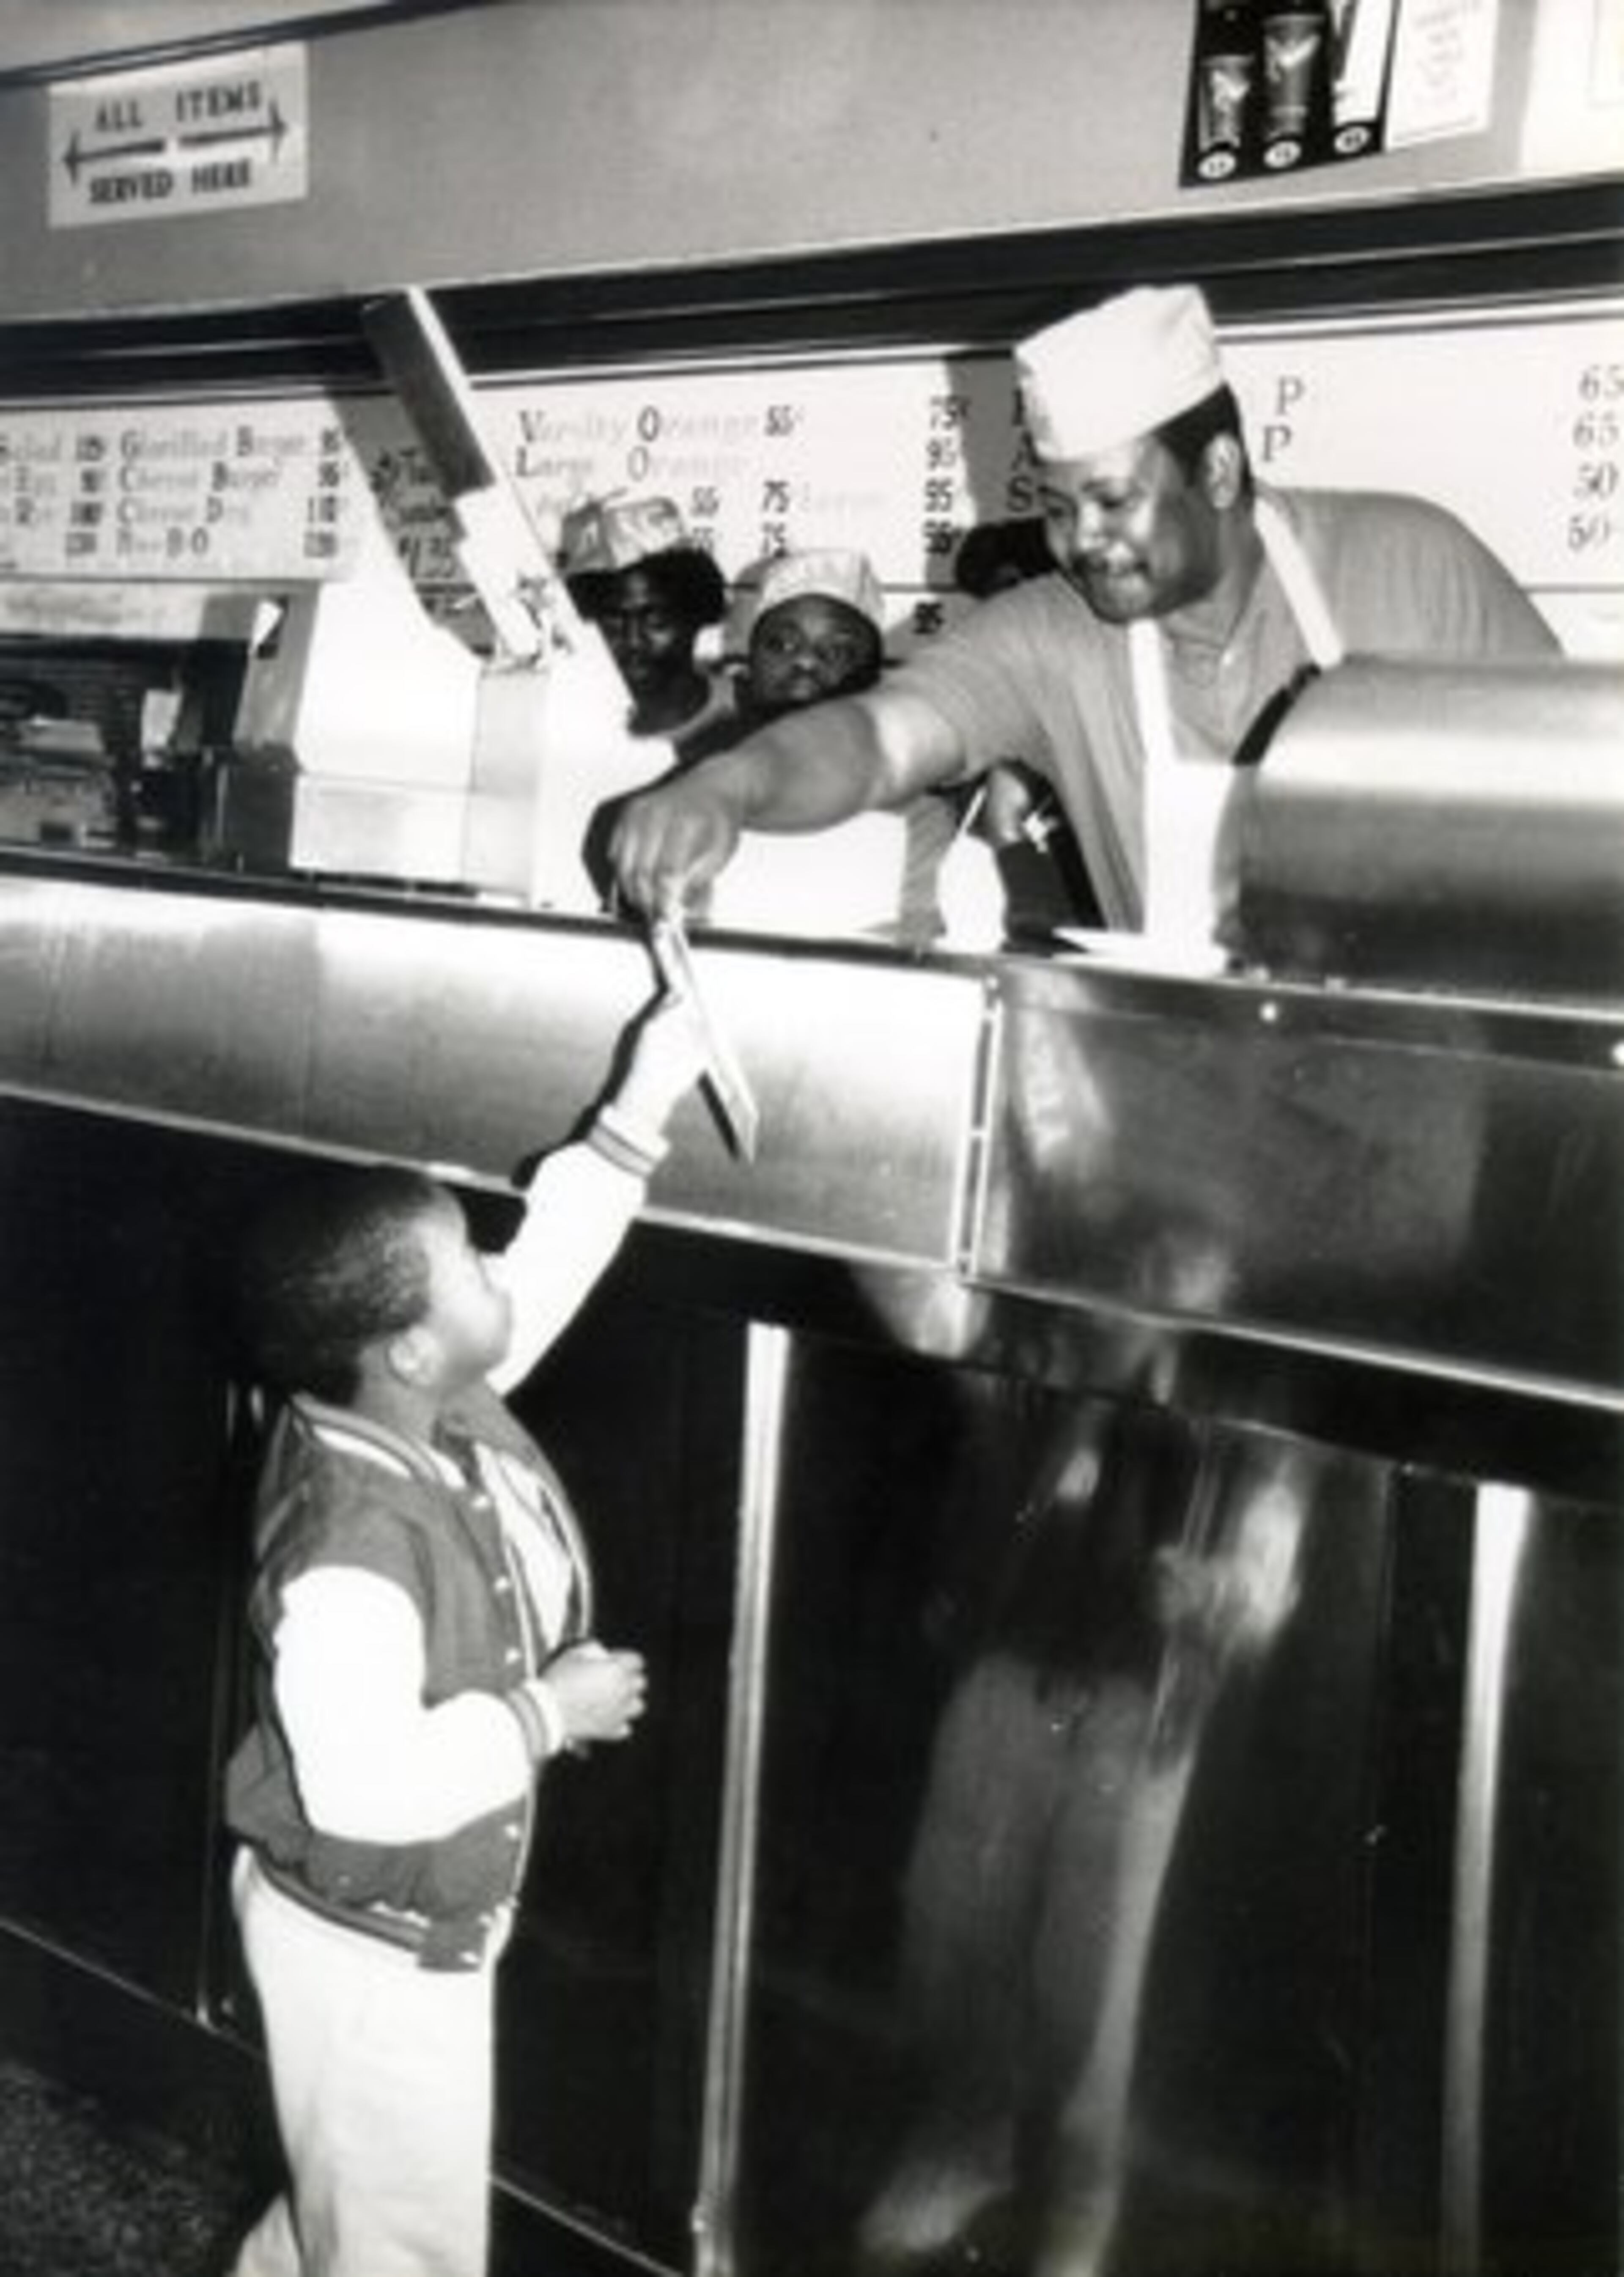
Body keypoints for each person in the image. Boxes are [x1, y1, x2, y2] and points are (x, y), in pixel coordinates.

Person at [608, 283, 1558, 945]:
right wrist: (730, 787)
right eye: (1058, 510)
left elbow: (1583, 803)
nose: (1081, 541)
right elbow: (880, 739)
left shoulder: (1415, 564)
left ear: (1218, 472)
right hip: (1197, 1083)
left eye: (1112, 501)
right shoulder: (1056, 635)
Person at [222, 982, 705, 2277]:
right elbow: (363, 1785)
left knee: (353, 2217)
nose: (498, 1269)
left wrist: (640, 1100)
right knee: (399, 2249)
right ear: (411, 1355)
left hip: (396, 1935)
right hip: (367, 1956)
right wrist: (548, 1713)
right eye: (467, 1267)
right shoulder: (347, 1559)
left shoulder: (411, 1400)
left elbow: (539, 1275)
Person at [560, 492, 740, 761]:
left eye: (657, 621)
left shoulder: (747, 715)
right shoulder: (569, 727)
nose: (633, 641)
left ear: (696, 613)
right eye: (613, 622)